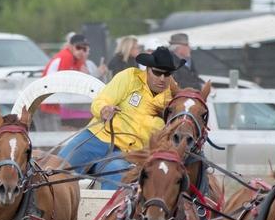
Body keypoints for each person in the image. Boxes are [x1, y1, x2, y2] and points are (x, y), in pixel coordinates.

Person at [58, 46, 183, 189]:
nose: (162, 79)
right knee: (56, 168)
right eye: (157, 72)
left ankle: (108, 210)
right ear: (148, 69)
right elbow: (101, 100)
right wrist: (104, 109)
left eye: (167, 74)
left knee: (119, 177)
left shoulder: (173, 99)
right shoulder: (129, 77)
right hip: (97, 138)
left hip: (125, 155)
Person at [37, 34, 90, 131]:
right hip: (46, 103)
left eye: (84, 48)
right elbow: (67, 83)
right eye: (78, 47)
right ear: (70, 46)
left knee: (53, 140)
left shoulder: (76, 59)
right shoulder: (66, 57)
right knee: (51, 140)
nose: (81, 51)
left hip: (53, 103)